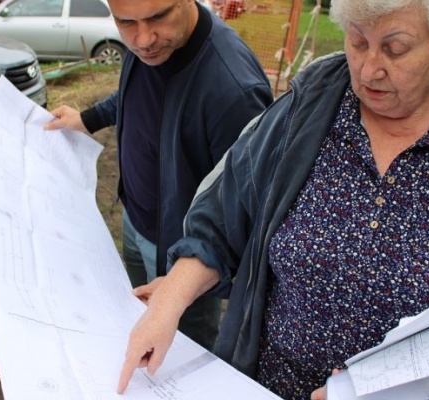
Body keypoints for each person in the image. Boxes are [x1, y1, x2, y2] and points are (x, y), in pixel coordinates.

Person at [116, 0, 429, 399]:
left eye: (395, 50)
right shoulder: (306, 109)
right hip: (265, 386)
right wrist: (170, 298)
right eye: (358, 42)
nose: (368, 70)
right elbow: (221, 219)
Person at [43, 0, 273, 351]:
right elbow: (133, 93)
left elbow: (247, 204)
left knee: (182, 350)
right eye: (125, 22)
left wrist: (184, 280)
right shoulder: (153, 46)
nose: (143, 39)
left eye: (158, 17)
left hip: (181, 252)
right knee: (136, 313)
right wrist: (87, 119)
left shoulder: (233, 88)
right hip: (135, 218)